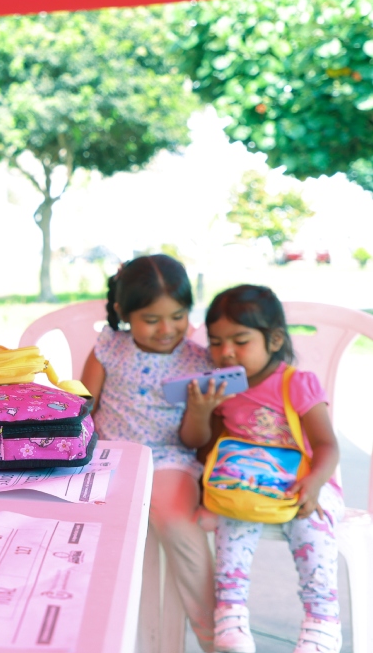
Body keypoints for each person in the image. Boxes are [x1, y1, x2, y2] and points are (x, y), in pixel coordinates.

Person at [181, 285, 343, 653]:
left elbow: (326, 445)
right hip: (245, 486)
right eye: (216, 342)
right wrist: (202, 411)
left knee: (312, 525)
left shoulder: (296, 384)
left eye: (240, 341)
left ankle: (322, 621)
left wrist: (314, 483)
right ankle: (230, 617)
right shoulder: (221, 387)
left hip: (305, 484)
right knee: (232, 521)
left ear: (275, 340)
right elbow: (201, 448)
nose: (226, 352)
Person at [79, 254, 216, 652]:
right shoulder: (108, 347)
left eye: (178, 316)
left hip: (169, 459)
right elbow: (84, 407)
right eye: (152, 319)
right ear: (124, 313)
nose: (167, 329)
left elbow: (193, 440)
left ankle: (216, 636)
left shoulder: (197, 359)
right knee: (86, 529)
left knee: (179, 526)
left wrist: (201, 411)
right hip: (111, 456)